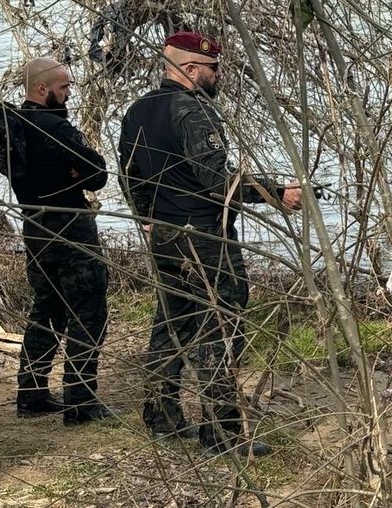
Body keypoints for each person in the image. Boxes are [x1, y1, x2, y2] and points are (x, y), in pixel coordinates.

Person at [118, 31, 299, 456]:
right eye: (214, 69)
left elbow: (129, 173)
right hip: (203, 236)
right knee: (221, 324)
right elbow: (217, 180)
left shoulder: (138, 110)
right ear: (192, 69)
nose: (219, 76)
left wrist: (145, 216)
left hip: (164, 235)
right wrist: (275, 192)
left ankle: (161, 417)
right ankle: (221, 433)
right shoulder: (193, 111)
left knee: (171, 322)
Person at [0, 58, 113, 424]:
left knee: (47, 309)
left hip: (35, 228)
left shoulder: (14, 127)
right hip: (71, 228)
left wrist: (80, 170)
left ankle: (31, 393)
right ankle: (81, 401)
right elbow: (98, 173)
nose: (69, 92)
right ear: (41, 89)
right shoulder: (54, 127)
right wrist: (78, 171)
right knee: (89, 312)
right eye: (64, 87)